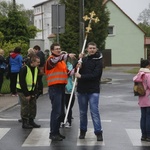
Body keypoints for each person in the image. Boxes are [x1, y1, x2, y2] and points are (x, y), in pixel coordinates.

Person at [45, 43, 76, 141]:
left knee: (61, 112)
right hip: (55, 88)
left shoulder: (62, 62)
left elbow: (68, 73)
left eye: (59, 48)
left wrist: (76, 67)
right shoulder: (51, 60)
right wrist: (66, 55)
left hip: (62, 87)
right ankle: (53, 133)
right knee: (56, 111)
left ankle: (56, 132)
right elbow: (56, 60)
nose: (58, 50)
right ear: (52, 50)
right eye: (56, 49)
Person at [75, 42, 103, 141]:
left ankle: (98, 132)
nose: (92, 50)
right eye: (90, 48)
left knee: (94, 111)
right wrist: (78, 63)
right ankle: (83, 131)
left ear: (96, 49)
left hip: (93, 90)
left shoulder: (99, 61)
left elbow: (95, 75)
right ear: (87, 49)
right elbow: (77, 70)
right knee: (82, 112)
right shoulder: (84, 59)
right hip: (82, 90)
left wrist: (81, 76)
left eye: (93, 48)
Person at [16, 55, 41, 129]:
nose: (39, 64)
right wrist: (27, 94)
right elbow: (22, 82)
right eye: (37, 62)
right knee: (25, 105)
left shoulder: (36, 69)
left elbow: (35, 81)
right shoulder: (24, 69)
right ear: (32, 62)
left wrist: (34, 92)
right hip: (22, 90)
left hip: (31, 90)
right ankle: (25, 122)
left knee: (33, 105)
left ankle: (31, 120)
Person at [133, 59, 150, 142]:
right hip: (149, 98)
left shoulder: (138, 75)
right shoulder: (148, 75)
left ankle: (143, 135)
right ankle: (148, 135)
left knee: (143, 117)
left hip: (142, 98)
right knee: (149, 117)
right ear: (147, 66)